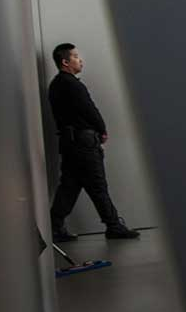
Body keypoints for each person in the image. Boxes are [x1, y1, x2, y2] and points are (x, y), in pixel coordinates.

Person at [49, 43, 140, 241]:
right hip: (84, 143)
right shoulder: (73, 84)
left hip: (69, 144)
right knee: (97, 185)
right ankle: (114, 226)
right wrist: (102, 129)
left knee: (69, 186)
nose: (80, 60)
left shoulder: (55, 85)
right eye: (75, 56)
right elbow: (89, 109)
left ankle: (54, 227)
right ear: (65, 62)